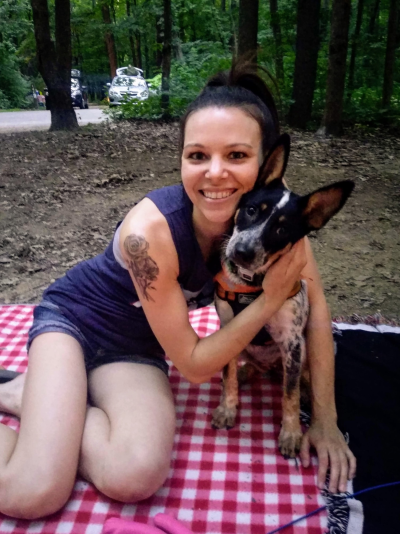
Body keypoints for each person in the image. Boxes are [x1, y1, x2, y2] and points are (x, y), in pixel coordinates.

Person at [0, 65, 356, 519]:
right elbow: (192, 363)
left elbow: (316, 308)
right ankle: (39, 400)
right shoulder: (149, 233)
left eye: (237, 155)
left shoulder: (274, 213)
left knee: (136, 475)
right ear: (182, 160)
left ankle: (35, 399)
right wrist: (269, 298)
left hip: (137, 349)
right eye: (197, 155)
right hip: (73, 325)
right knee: (34, 491)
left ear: (267, 166)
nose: (215, 173)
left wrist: (325, 419)